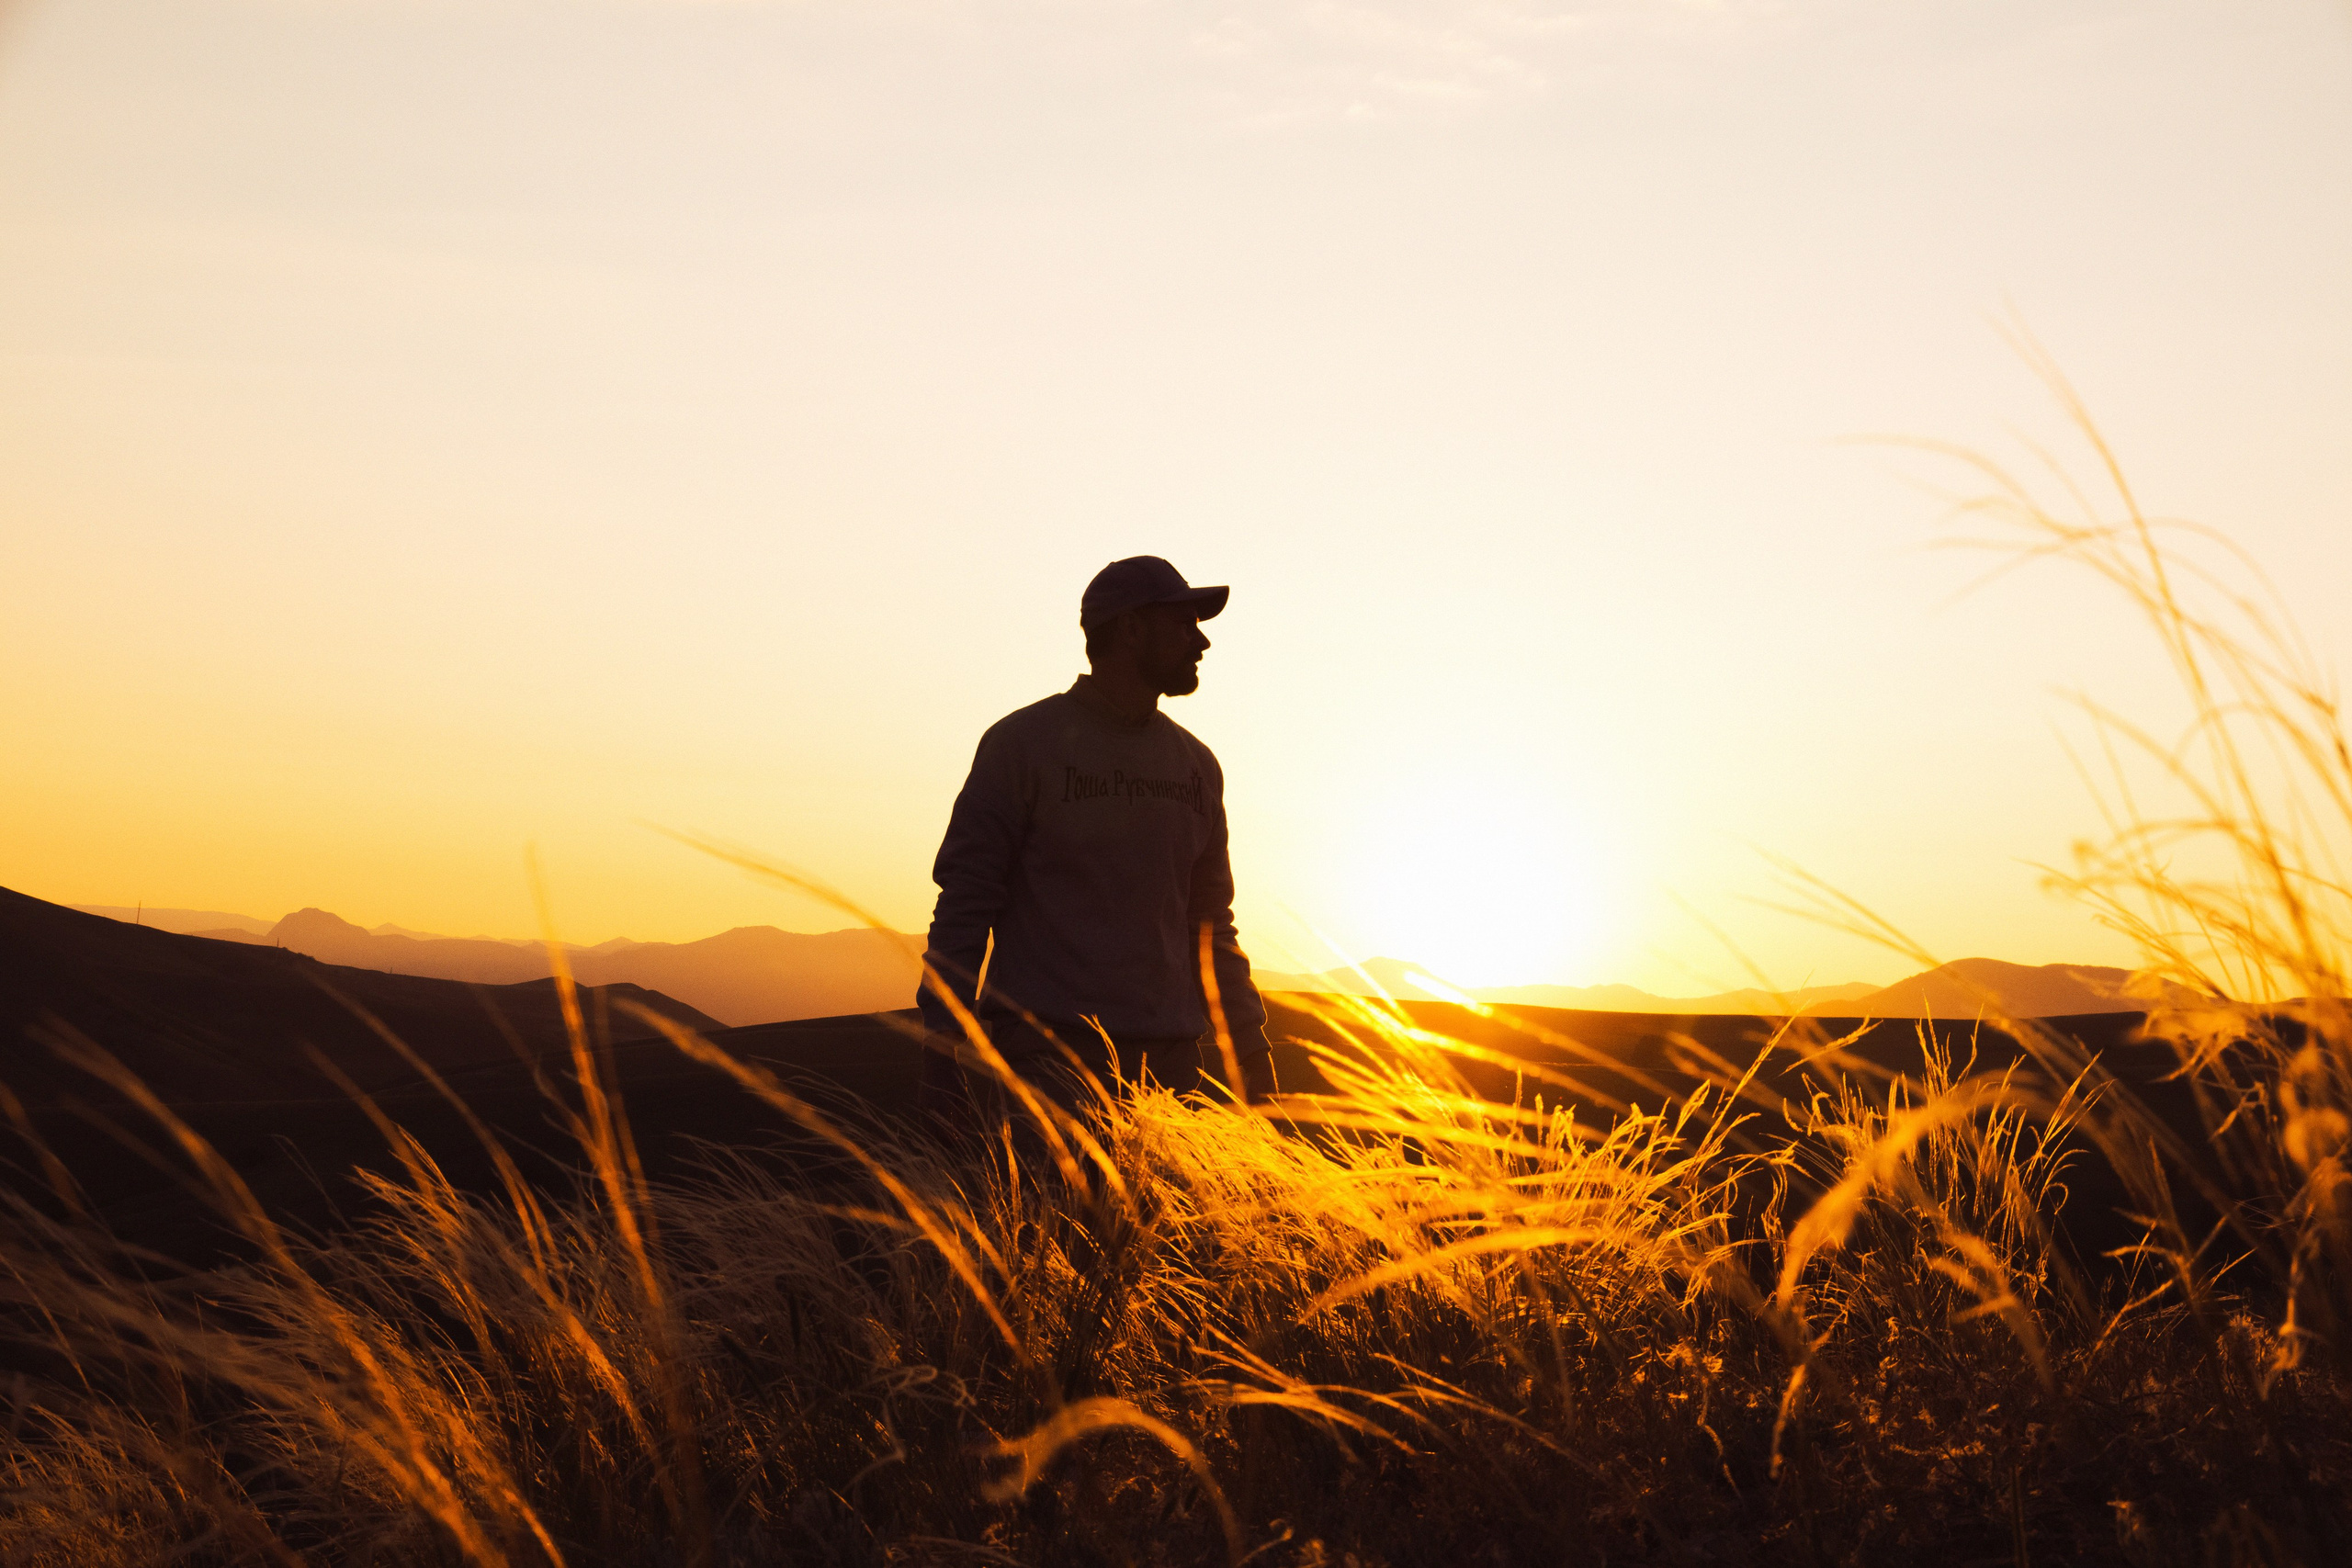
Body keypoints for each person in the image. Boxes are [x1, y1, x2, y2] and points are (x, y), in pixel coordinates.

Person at [915, 555, 1277, 1122]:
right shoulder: (1021, 747)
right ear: (1131, 629)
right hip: (1049, 1073)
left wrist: (1251, 1051)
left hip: (1170, 1082)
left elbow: (1211, 927)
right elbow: (966, 903)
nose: (1200, 642)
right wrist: (943, 1046)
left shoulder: (1197, 767)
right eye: (1183, 623)